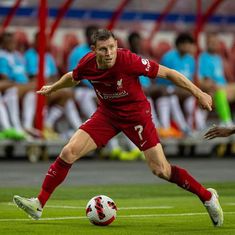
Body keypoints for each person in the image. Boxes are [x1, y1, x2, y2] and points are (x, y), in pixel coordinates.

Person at [13, 29, 223, 227]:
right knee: (69, 151)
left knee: (161, 170)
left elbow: (168, 73)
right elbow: (72, 77)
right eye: (103, 49)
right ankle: (38, 204)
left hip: (136, 115)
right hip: (107, 114)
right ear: (94, 50)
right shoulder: (87, 63)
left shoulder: (128, 60)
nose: (110, 53)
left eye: (112, 47)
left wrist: (198, 93)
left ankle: (207, 196)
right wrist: (53, 87)